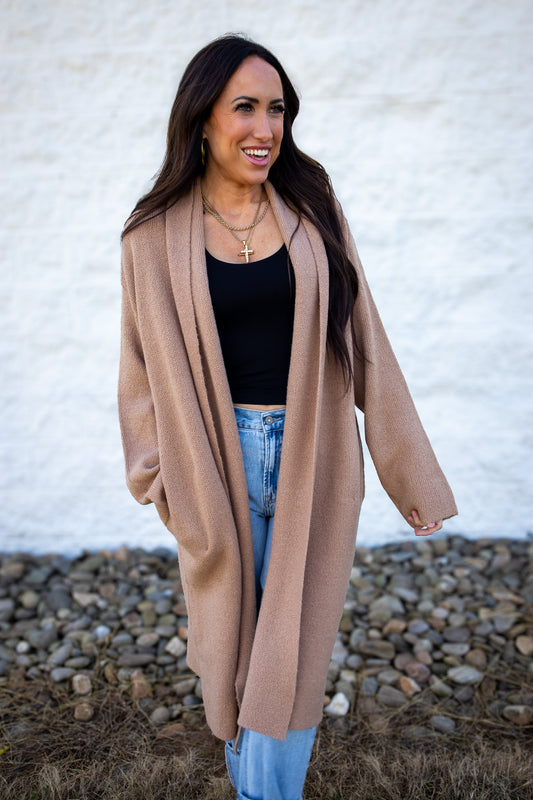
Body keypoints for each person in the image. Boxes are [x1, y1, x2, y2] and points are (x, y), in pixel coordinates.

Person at [118, 33, 457, 800]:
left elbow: (366, 338)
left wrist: (414, 478)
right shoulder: (150, 237)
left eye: (276, 109)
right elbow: (136, 371)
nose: (264, 127)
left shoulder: (312, 207)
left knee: (293, 655)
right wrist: (158, 478)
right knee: (234, 650)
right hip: (214, 464)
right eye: (245, 107)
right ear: (202, 118)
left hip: (311, 455)